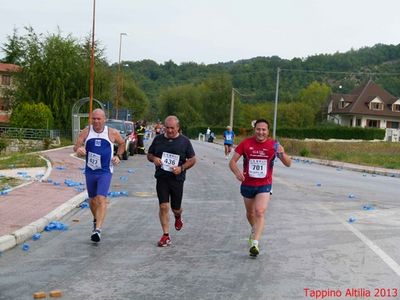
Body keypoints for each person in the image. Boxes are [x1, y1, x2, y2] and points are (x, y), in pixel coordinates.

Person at [229, 119, 291, 257]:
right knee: (250, 214)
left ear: (268, 131)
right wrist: (237, 172)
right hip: (247, 184)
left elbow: (288, 164)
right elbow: (232, 162)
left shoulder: (274, 145)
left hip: (264, 185)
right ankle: (254, 230)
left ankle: (255, 243)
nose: (261, 132)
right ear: (254, 130)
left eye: (264, 130)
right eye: (258, 129)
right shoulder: (246, 143)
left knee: (260, 211)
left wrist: (282, 153)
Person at [73, 108, 125, 243]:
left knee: (101, 198)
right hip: (90, 170)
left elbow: (122, 143)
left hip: (105, 171)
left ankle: (98, 230)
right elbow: (76, 146)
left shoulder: (112, 133)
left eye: (99, 119)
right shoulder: (86, 131)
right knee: (92, 200)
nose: (96, 121)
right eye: (94, 119)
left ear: (104, 119)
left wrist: (118, 156)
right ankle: (96, 219)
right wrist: (79, 149)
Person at [147, 115, 196, 247]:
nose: (169, 131)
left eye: (172, 128)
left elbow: (192, 159)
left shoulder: (184, 141)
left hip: (177, 179)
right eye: (167, 128)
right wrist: (154, 159)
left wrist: (182, 168)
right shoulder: (158, 139)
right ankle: (166, 235)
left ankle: (178, 216)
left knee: (176, 208)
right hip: (162, 178)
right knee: (163, 206)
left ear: (178, 128)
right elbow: (149, 154)